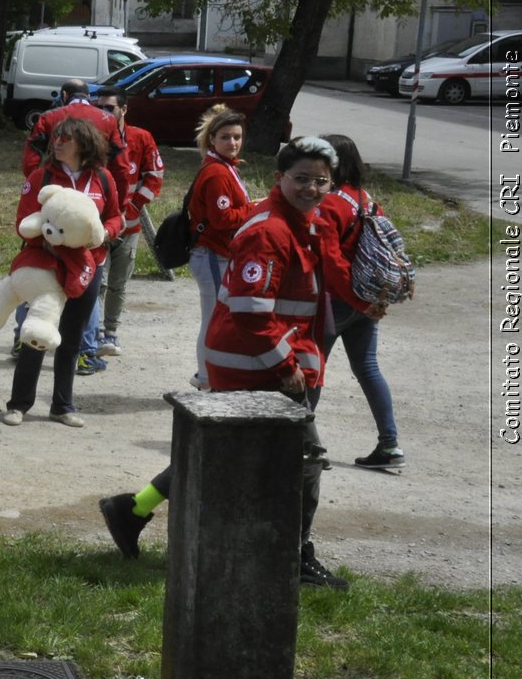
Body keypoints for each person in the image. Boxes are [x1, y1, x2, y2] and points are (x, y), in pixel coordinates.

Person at [100, 137, 359, 590]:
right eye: (302, 179)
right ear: (281, 178)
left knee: (222, 452)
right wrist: (284, 366)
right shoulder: (270, 231)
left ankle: (133, 508)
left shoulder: (303, 223)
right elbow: (248, 309)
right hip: (254, 364)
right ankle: (293, 558)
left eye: (322, 181)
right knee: (305, 461)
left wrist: (365, 298)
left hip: (262, 361)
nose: (312, 188)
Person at [0, 116, 120, 428]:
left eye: (66, 139)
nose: (58, 143)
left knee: (71, 338)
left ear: (84, 144)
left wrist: (104, 234)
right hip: (48, 268)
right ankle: (19, 404)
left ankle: (62, 406)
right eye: (57, 138)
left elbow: (116, 217)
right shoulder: (42, 176)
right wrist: (48, 239)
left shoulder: (104, 178)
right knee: (36, 335)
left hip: (88, 268)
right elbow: (24, 219)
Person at [308, 133, 404, 470]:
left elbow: (332, 263)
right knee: (368, 368)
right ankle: (390, 446)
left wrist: (355, 301)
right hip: (367, 299)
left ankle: (307, 447)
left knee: (311, 369)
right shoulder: (366, 200)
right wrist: (371, 301)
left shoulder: (329, 203)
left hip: (337, 302)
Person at [93, 87, 163, 358]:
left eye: (109, 107)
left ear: (124, 109)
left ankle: (111, 331)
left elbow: (155, 176)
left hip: (129, 225)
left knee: (119, 283)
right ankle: (95, 334)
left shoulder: (141, 138)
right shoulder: (91, 138)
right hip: (97, 226)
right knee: (97, 281)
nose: (103, 112)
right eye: (99, 107)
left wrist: (130, 211)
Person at [187, 105, 251, 390]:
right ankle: (206, 378)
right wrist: (252, 209)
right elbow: (222, 219)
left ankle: (208, 376)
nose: (233, 143)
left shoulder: (224, 167)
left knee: (215, 317)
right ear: (212, 139)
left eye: (237, 136)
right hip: (211, 255)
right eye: (226, 137)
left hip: (216, 254)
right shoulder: (217, 173)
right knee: (213, 320)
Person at [22, 78, 131, 208]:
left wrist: (36, 186)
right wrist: (121, 204)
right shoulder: (109, 120)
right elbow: (121, 166)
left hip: (57, 186)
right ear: (88, 95)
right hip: (95, 188)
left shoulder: (48, 117)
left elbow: (31, 160)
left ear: (64, 95)